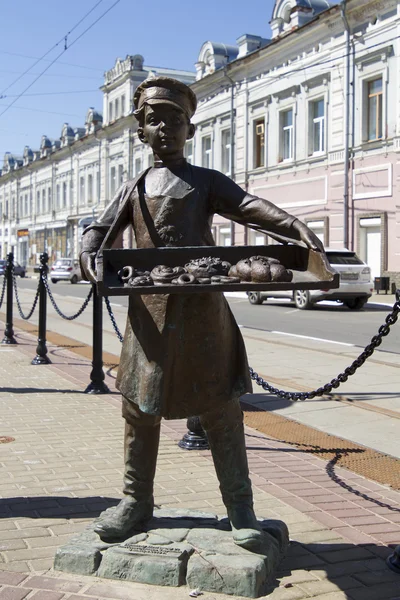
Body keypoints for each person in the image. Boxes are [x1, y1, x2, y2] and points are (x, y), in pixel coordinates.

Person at [80, 77, 323, 552]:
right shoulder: (135, 187)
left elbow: (248, 206)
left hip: (203, 314)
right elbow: (101, 227)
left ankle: (241, 508)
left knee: (221, 408)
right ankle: (135, 502)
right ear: (141, 132)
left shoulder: (205, 181)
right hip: (148, 318)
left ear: (189, 129)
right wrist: (90, 248)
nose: (165, 129)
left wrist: (294, 225)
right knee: (139, 409)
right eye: (155, 121)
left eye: (175, 121)